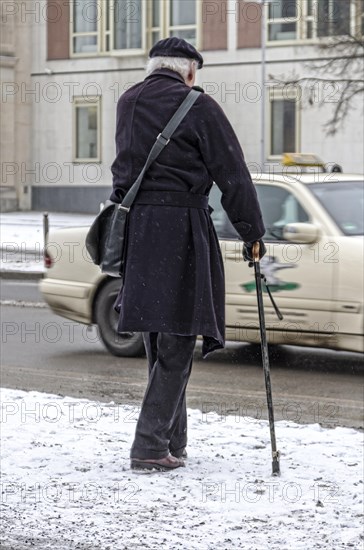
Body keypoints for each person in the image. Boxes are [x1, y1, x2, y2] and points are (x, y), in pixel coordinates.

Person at [110, 37, 266, 471]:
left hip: (140, 231)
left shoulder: (128, 102)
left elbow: (122, 172)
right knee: (178, 337)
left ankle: (171, 442)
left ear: (153, 67)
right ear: (190, 71)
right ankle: (148, 445)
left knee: (158, 339)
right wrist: (252, 231)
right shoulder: (198, 106)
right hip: (181, 229)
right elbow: (231, 171)